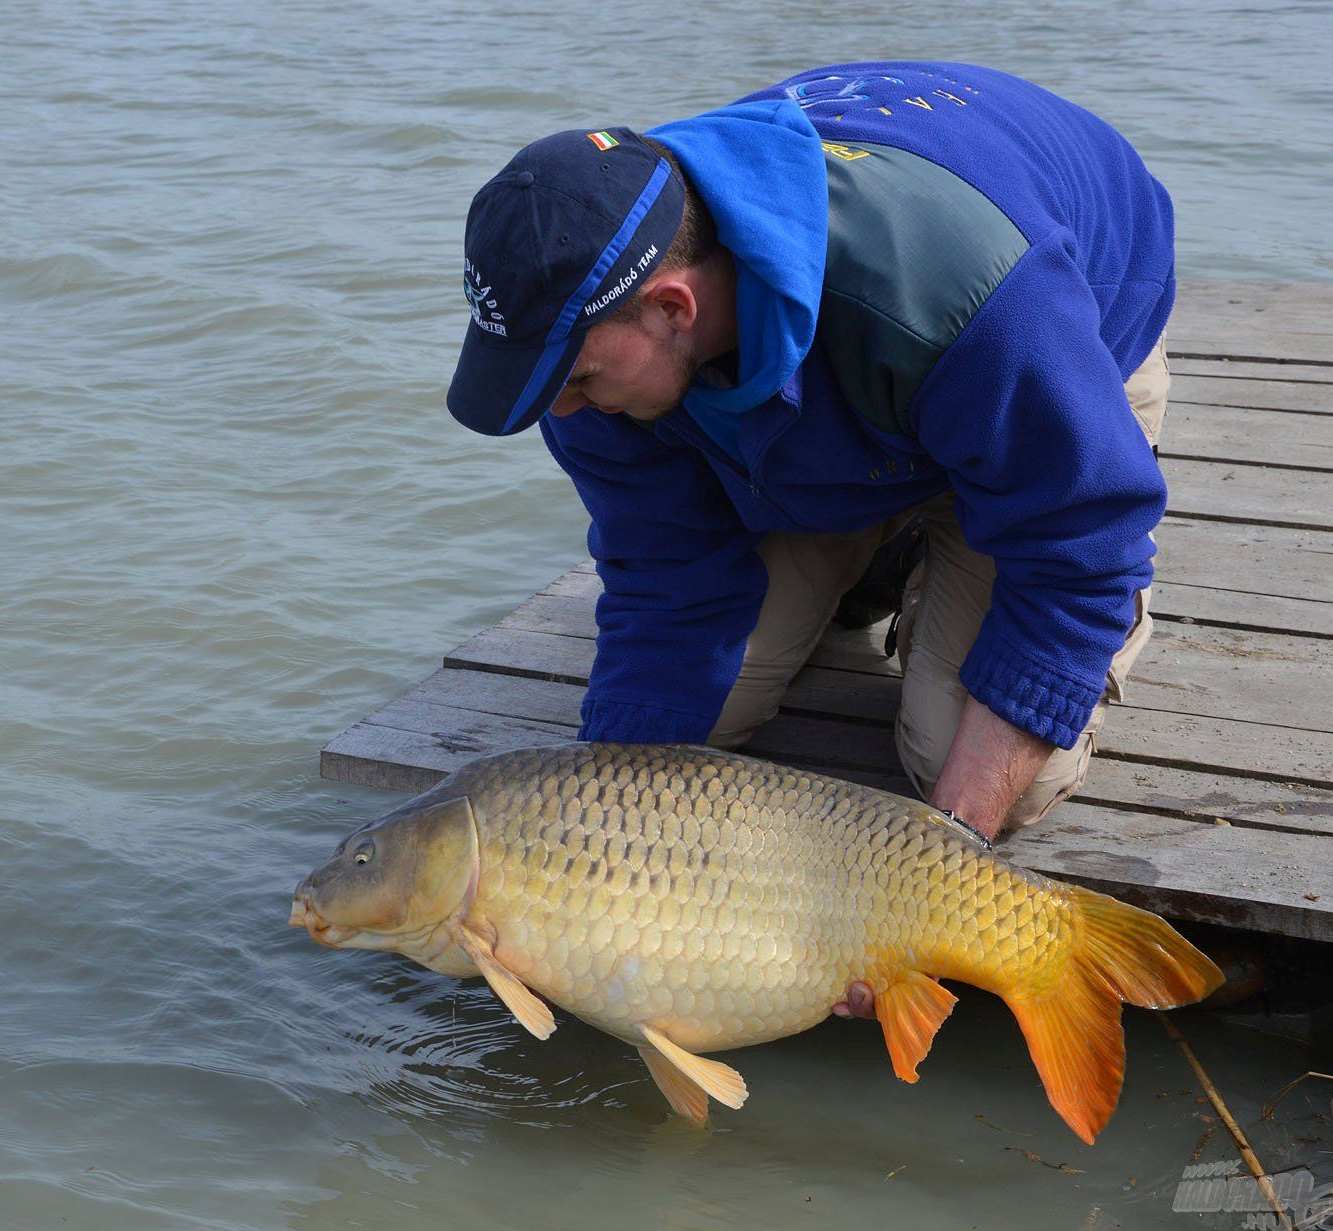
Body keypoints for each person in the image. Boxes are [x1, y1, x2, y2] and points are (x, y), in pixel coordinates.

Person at [445, 61, 1172, 859]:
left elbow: (1077, 554)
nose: (561, 411)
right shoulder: (591, 347)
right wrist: (598, 839)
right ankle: (884, 551)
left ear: (673, 308)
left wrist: (942, 863)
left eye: (575, 378)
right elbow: (665, 576)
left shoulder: (971, 298)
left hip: (1061, 357)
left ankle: (965, 545)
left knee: (970, 766)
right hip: (855, 393)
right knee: (687, 726)